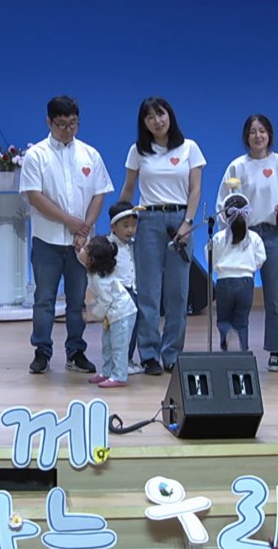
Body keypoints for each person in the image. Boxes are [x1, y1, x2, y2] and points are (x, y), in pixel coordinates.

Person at [19, 95, 113, 375]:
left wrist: (85, 228)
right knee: (44, 300)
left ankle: (76, 351)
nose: (68, 130)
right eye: (61, 124)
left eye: (73, 124)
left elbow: (99, 194)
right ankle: (42, 352)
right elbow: (34, 196)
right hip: (47, 241)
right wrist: (69, 221)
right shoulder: (36, 155)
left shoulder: (90, 154)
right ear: (48, 122)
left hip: (80, 244)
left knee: (77, 301)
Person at [119, 97, 204, 375]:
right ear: (143, 123)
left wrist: (187, 223)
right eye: (150, 117)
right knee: (148, 292)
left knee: (178, 293)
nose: (157, 121)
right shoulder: (137, 151)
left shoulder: (189, 148)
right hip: (148, 222)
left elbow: (195, 190)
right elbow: (128, 189)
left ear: (170, 115)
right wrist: (119, 219)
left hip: (180, 221)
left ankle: (172, 353)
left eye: (161, 114)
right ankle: (149, 354)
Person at [216, 114, 278, 370]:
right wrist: (230, 232)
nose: (258, 136)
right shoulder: (237, 166)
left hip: (273, 234)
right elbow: (223, 203)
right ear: (246, 136)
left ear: (269, 134)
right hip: (245, 236)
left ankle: (274, 351)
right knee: (240, 293)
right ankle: (237, 348)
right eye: (252, 131)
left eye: (262, 130)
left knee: (275, 296)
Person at [210, 192, 266, 352]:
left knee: (223, 319)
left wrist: (217, 267)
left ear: (224, 215)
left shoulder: (219, 237)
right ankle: (242, 351)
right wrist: (251, 267)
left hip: (224, 281)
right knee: (242, 322)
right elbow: (261, 258)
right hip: (246, 282)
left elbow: (210, 257)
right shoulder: (254, 237)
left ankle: (227, 336)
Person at [79, 235, 137, 389]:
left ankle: (119, 376)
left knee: (118, 346)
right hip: (112, 316)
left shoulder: (101, 279)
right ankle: (107, 371)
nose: (83, 249)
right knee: (107, 344)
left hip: (122, 314)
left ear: (92, 259)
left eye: (86, 248)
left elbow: (106, 300)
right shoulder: (94, 271)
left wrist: (93, 315)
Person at [105, 200, 142, 374]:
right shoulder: (108, 246)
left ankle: (127, 359)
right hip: (117, 294)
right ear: (113, 226)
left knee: (132, 329)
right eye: (125, 226)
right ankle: (115, 362)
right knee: (117, 331)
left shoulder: (134, 245)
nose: (130, 230)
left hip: (132, 291)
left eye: (133, 225)